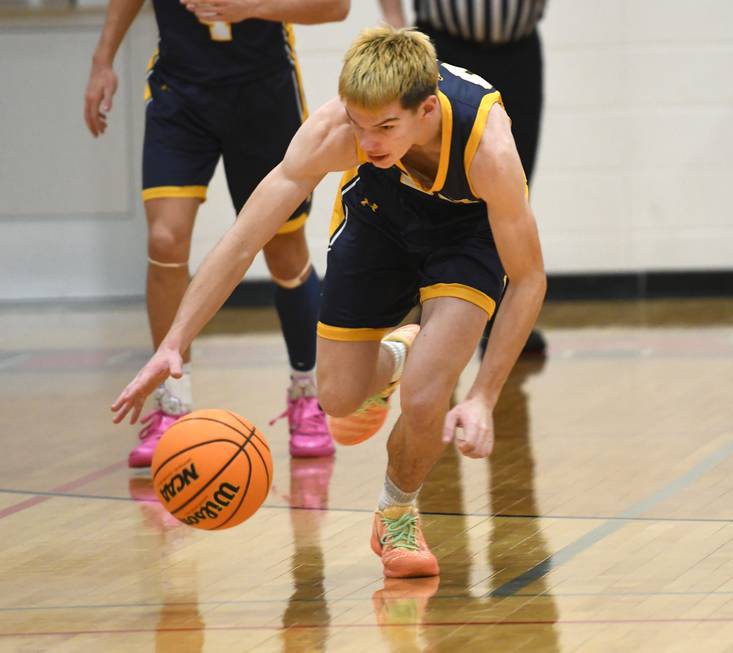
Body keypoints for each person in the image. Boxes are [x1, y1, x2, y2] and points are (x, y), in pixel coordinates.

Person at [111, 26, 546, 578]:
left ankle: (396, 513)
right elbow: (246, 237)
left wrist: (483, 396)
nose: (370, 143)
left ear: (427, 110)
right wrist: (175, 341)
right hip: (379, 215)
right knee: (337, 400)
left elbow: (529, 279)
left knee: (425, 395)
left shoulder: (489, 150)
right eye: (361, 126)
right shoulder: (335, 132)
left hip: (467, 233)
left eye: (387, 127)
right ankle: (403, 350)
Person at [84, 0, 351, 466]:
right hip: (180, 89)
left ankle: (308, 392)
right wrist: (103, 58)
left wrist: (251, 7)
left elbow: (336, 7)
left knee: (284, 250)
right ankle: (172, 400)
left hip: (262, 89)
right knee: (165, 241)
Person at [379, 0, 548, 355]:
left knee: (510, 180)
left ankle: (499, 308)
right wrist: (396, 24)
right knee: (431, 184)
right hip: (445, 45)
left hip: (520, 52)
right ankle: (427, 305)